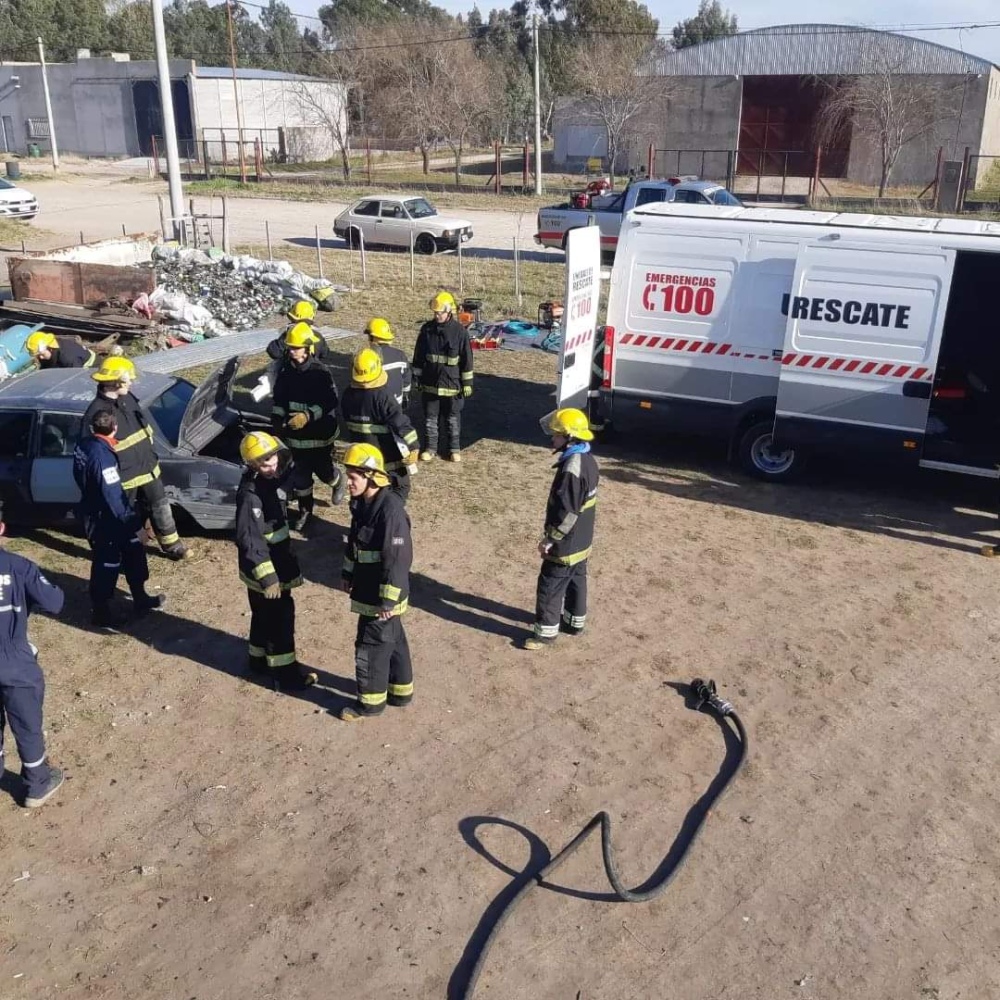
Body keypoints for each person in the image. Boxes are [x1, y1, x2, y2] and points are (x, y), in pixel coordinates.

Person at [83, 356, 190, 561]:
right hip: (124, 476)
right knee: (125, 516)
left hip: (147, 467)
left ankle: (172, 545)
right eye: (127, 379)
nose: (131, 382)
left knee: (160, 506)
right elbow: (95, 451)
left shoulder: (127, 397)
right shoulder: (97, 414)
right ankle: (128, 552)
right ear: (115, 382)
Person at [235, 431, 316, 690]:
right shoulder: (251, 496)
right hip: (267, 572)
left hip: (268, 567)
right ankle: (286, 675)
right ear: (252, 464)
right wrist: (269, 578)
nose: (272, 466)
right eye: (265, 463)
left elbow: (286, 471)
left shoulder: (265, 479)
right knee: (280, 621)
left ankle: (257, 661)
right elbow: (251, 540)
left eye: (273, 460)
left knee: (261, 617)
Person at [338, 444, 413, 722]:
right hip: (371, 588)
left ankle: (370, 704)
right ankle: (400, 692)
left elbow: (397, 559)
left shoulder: (390, 511)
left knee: (370, 644)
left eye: (353, 477)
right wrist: (347, 573)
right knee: (393, 639)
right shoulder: (362, 504)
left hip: (380, 596)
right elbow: (355, 543)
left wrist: (388, 599)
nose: (348, 482)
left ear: (371, 476)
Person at [73, 409, 166, 628]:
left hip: (104, 513)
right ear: (114, 427)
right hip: (106, 519)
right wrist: (134, 525)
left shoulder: (85, 445)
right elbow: (112, 495)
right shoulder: (102, 457)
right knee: (107, 563)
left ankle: (140, 598)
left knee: (134, 553)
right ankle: (101, 613)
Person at [0, 501, 66, 808]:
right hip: (14, 663)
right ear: (1, 529)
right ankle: (37, 783)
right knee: (26, 723)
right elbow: (54, 601)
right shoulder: (19, 567)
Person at [524, 408, 599, 650]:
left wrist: (550, 540)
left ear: (570, 437)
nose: (553, 439)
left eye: (557, 434)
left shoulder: (571, 470)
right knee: (577, 580)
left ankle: (544, 633)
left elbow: (567, 512)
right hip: (582, 541)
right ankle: (574, 622)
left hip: (566, 543)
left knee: (551, 584)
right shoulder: (588, 459)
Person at [271, 323, 346, 532]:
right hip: (296, 438)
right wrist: (277, 422)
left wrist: (308, 416)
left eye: (296, 347)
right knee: (301, 478)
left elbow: (331, 401)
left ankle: (338, 480)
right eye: (290, 348)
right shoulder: (286, 373)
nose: (292, 351)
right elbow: (279, 400)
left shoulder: (320, 372)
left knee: (324, 472)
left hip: (320, 436)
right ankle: (306, 512)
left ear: (307, 348)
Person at [340, 348, 420, 502]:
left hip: (361, 456)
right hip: (387, 457)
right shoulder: (382, 396)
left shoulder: (348, 395)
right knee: (399, 489)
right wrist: (414, 446)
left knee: (362, 494)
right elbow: (400, 422)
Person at [413, 292, 474, 463]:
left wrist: (467, 383)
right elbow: (418, 356)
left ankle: (454, 449)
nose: (436, 315)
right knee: (430, 419)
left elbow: (467, 359)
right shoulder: (426, 330)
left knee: (452, 419)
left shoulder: (459, 332)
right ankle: (430, 448)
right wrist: (417, 377)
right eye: (435, 313)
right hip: (430, 383)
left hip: (452, 384)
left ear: (449, 312)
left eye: (439, 312)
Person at [252, 301, 333, 403]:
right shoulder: (317, 335)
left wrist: (284, 338)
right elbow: (325, 353)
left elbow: (274, 352)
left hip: (293, 374)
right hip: (313, 374)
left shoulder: (291, 335)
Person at [365, 317, 411, 409]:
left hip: (375, 406)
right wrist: (405, 396)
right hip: (396, 404)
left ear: (372, 337)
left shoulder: (367, 358)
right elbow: (407, 380)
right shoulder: (400, 355)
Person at [24, 331, 95, 370]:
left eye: (41, 355)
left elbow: (75, 377)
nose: (41, 358)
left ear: (50, 348)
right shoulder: (54, 345)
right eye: (38, 355)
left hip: (89, 366)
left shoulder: (68, 358)